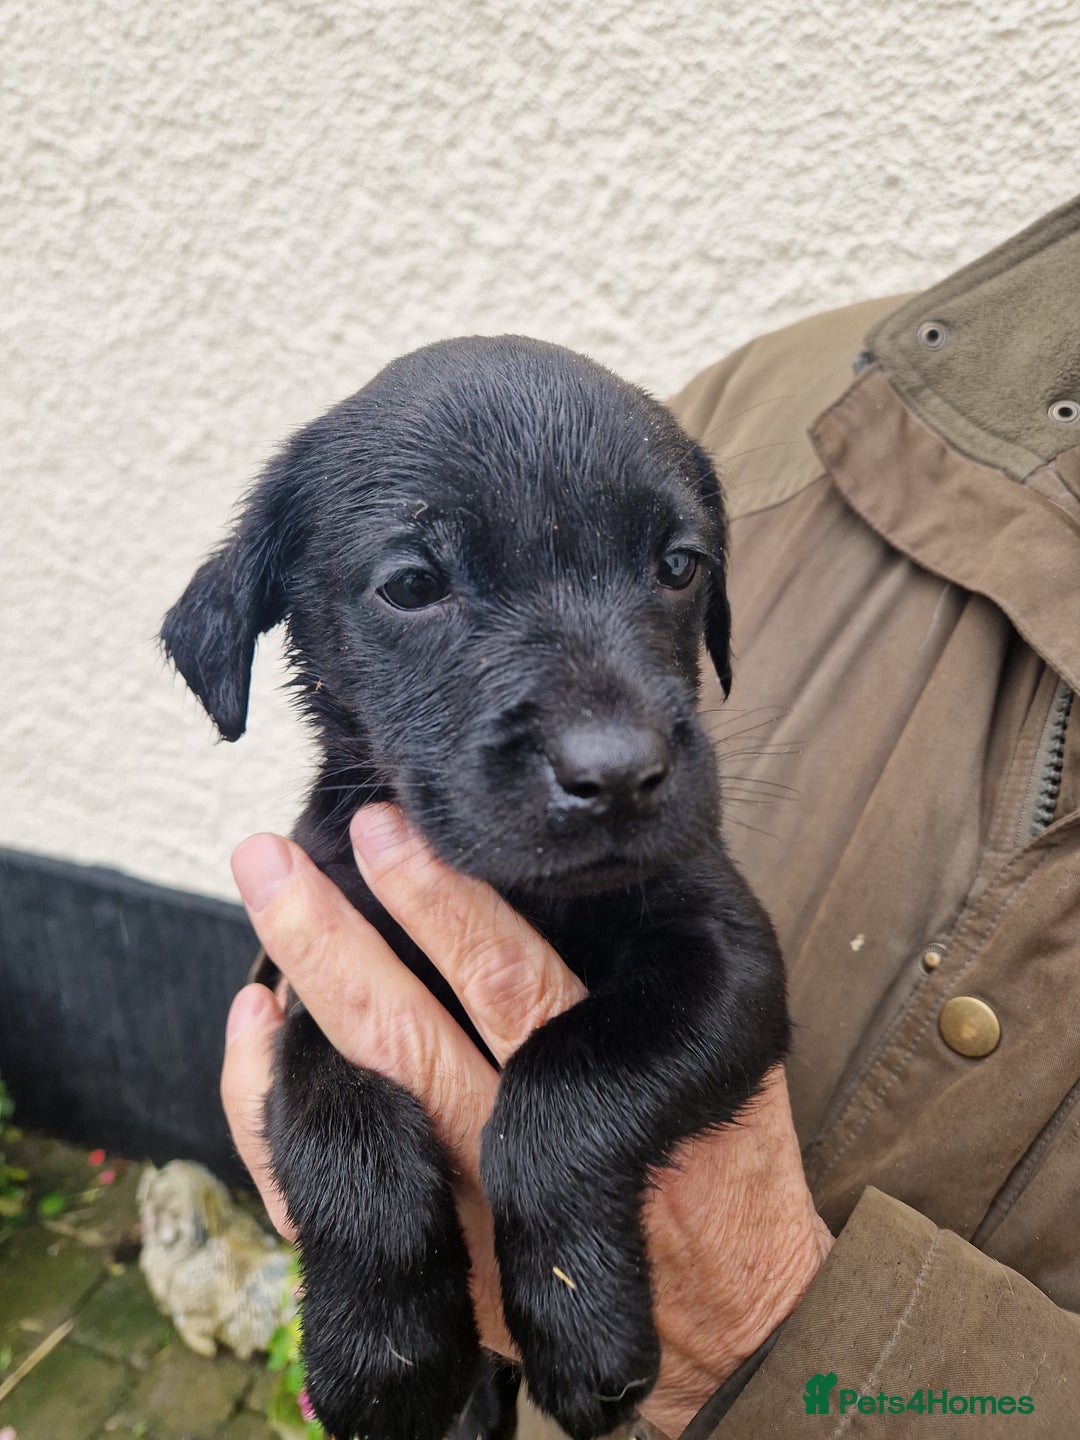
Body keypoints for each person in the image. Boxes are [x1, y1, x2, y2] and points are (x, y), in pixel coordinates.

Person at [220, 194, 1080, 1436]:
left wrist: (561, 1151)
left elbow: (721, 978)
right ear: (280, 626)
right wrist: (352, 1193)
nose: (616, 740)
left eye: (670, 573)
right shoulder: (809, 387)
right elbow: (341, 1029)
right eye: (418, 585)